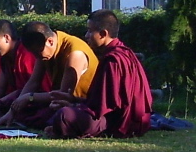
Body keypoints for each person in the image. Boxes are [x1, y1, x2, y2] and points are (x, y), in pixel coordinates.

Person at [48, 9, 153, 138]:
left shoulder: (113, 60)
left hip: (116, 123)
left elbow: (106, 108)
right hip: (138, 122)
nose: (86, 35)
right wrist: (72, 99)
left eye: (90, 31)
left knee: (64, 114)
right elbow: (102, 100)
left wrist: (74, 106)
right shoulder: (124, 53)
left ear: (103, 34)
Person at [0, 21, 98, 129]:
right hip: (55, 101)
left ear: (49, 41)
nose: (37, 57)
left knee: (53, 114)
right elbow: (33, 82)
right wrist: (12, 111)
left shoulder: (75, 54)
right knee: (18, 99)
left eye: (38, 52)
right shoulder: (44, 50)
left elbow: (63, 95)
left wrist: (29, 97)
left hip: (80, 105)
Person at [0, 19, 52, 120]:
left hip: (32, 98)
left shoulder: (25, 54)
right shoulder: (4, 58)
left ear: (6, 38)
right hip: (15, 97)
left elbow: (30, 89)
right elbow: (0, 88)